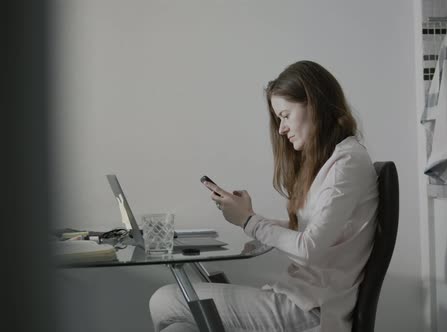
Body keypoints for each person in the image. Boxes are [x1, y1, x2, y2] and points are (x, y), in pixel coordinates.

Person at [149, 60, 379, 332]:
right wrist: (250, 218)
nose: (281, 129)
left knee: (164, 300)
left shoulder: (347, 162)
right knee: (179, 329)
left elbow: (310, 249)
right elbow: (310, 233)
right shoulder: (334, 162)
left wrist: (249, 222)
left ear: (314, 105)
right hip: (298, 299)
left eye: (285, 115)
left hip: (313, 310)